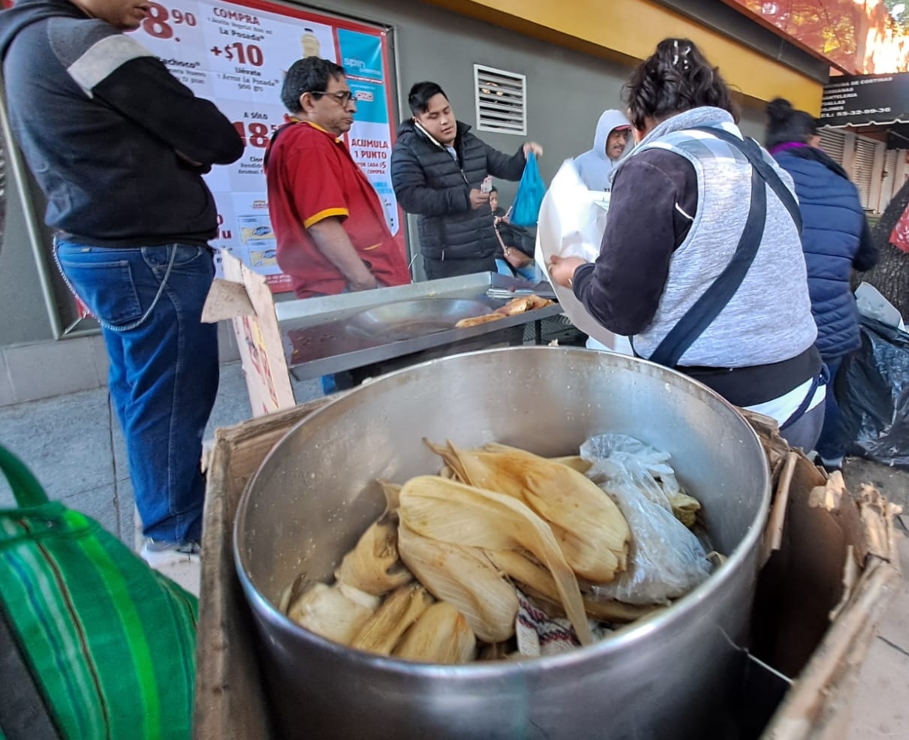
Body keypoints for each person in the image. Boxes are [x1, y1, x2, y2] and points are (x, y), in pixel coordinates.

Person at [0, 0, 244, 561]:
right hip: (146, 254)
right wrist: (179, 147)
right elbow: (217, 139)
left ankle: (163, 505)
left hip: (95, 250)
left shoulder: (24, 43)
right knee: (174, 394)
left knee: (140, 388)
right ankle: (178, 531)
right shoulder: (83, 40)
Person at [549, 38, 826, 449]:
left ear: (639, 118)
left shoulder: (655, 164)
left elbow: (619, 309)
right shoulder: (766, 165)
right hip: (802, 399)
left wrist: (575, 272)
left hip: (722, 417)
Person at [765, 98, 878, 470]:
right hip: (832, 323)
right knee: (822, 391)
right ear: (813, 141)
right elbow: (867, 258)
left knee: (773, 397)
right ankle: (831, 460)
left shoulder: (758, 174)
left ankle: (767, 467)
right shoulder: (844, 187)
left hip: (772, 320)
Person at [266, 57, 411, 298]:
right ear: (309, 101)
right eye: (340, 97)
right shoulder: (307, 142)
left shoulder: (312, 141)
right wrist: (363, 282)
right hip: (346, 289)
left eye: (350, 97)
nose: (352, 107)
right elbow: (322, 224)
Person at [391, 82, 542, 280]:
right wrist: (463, 198)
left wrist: (523, 156)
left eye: (447, 111)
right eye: (433, 116)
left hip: (484, 253)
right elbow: (409, 197)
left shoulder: (469, 141)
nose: (445, 121)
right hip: (447, 262)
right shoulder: (407, 149)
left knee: (493, 310)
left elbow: (506, 167)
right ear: (417, 120)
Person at [574, 109, 631, 191]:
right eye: (616, 136)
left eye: (625, 136)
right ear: (604, 136)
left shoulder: (630, 166)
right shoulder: (580, 165)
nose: (623, 142)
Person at [489, 191, 537, 281]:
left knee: (536, 276)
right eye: (491, 200)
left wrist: (510, 222)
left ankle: (536, 294)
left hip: (511, 252)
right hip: (496, 256)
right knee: (509, 280)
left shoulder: (501, 212)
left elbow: (519, 232)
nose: (495, 202)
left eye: (496, 199)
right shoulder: (481, 217)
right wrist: (493, 225)